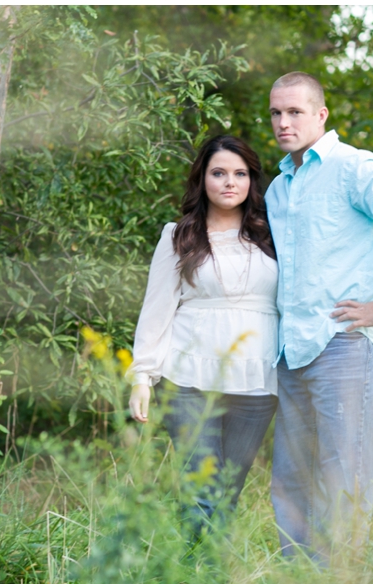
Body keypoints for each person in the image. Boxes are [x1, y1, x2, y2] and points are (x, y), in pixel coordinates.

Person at [265, 71, 373, 562]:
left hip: (345, 343)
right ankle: (296, 581)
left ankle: (339, 583)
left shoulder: (353, 167)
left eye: (295, 112)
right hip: (291, 349)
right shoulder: (279, 187)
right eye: (276, 113)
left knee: (344, 473)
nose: (283, 121)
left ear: (321, 115)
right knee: (292, 474)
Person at [126, 135, 279, 538]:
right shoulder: (179, 236)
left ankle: (212, 579)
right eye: (219, 173)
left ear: (251, 181)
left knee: (227, 492)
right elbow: (156, 309)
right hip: (189, 380)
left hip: (256, 381)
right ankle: (195, 580)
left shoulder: (273, 237)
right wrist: (143, 377)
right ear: (202, 179)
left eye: (240, 173)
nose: (230, 182)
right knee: (201, 493)